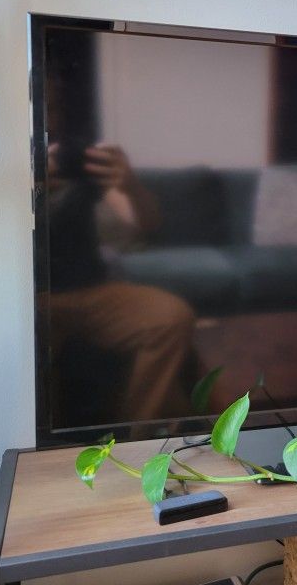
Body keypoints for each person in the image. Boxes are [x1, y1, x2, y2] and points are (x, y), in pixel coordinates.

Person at [47, 141, 196, 422]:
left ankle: (138, 436)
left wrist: (130, 185)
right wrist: (32, 183)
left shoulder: (82, 174)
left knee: (172, 316)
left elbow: (146, 224)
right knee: (27, 348)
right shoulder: (8, 169)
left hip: (93, 290)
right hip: (29, 297)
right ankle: (42, 443)